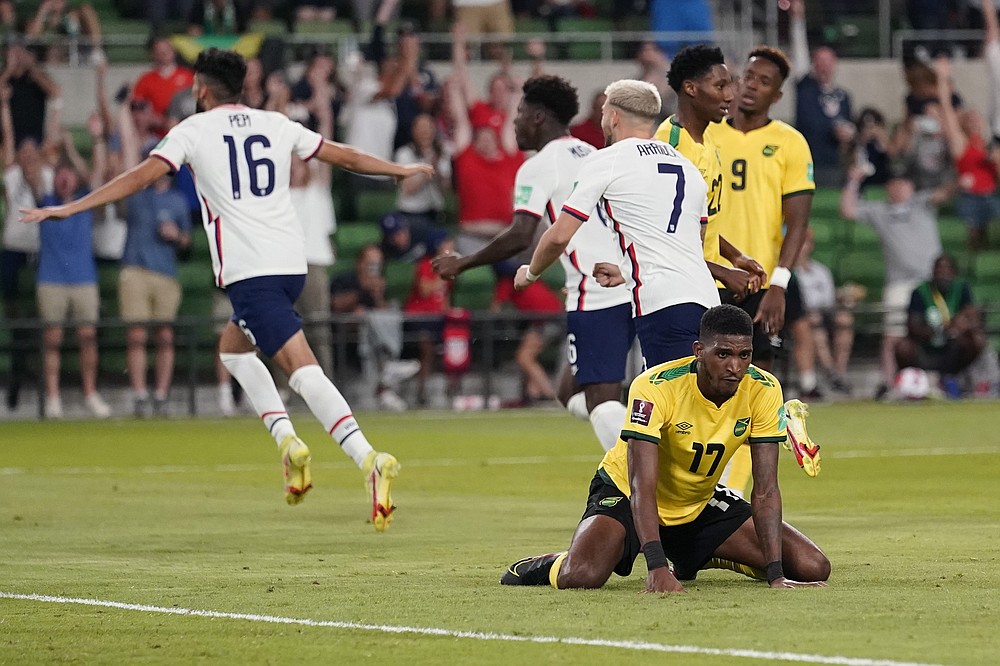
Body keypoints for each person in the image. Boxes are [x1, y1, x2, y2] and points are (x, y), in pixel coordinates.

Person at [21, 48, 433, 531]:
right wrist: (397, 170)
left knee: (302, 370)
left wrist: (71, 207)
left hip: (250, 270)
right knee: (234, 350)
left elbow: (140, 177)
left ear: (201, 89)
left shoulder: (193, 130)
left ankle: (369, 459)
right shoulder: (275, 122)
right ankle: (288, 444)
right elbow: (342, 153)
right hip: (289, 263)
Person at [499, 304, 830, 592]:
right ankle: (553, 562)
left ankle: (701, 554)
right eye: (723, 354)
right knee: (584, 574)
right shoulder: (655, 386)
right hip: (627, 494)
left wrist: (775, 575)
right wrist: (656, 568)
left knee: (811, 566)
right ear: (699, 350)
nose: (735, 366)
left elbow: (766, 489)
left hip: (697, 503)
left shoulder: (763, 388)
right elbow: (641, 482)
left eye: (744, 355)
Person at [435, 74, 634, 452]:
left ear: (540, 117)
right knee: (567, 390)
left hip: (597, 293)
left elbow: (522, 234)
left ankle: (648, 483)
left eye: (521, 114)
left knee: (602, 402)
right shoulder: (593, 153)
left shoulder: (540, 165)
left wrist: (463, 263)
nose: (514, 122)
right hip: (630, 283)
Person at [513, 79, 719, 369]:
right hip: (707, 299)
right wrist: (626, 270)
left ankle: (782, 416)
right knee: (695, 402)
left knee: (669, 405)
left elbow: (559, 235)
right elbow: (693, 240)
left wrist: (531, 273)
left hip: (662, 303)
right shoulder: (686, 165)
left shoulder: (606, 160)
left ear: (613, 116)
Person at [709, 46, 817, 492]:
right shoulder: (707, 133)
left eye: (763, 80)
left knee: (758, 383)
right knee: (707, 383)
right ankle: (715, 488)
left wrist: (779, 283)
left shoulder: (789, 142)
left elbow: (799, 221)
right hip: (708, 272)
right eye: (747, 76)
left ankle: (736, 494)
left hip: (760, 281)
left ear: (776, 93)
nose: (751, 84)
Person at [654, 44, 767, 302]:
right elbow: (663, 234)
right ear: (691, 88)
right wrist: (723, 273)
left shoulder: (708, 137)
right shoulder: (670, 144)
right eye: (720, 87)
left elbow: (704, 220)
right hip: (677, 289)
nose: (730, 96)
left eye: (731, 85)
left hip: (704, 280)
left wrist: (735, 257)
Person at [840, 165, 949, 399]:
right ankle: (889, 383)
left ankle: (934, 382)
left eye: (903, 184)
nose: (899, 188)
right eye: (894, 184)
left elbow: (945, 193)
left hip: (931, 283)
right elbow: (848, 210)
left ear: (911, 187)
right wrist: (853, 181)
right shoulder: (881, 211)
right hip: (899, 282)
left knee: (935, 331)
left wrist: (963, 176)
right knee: (892, 335)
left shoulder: (922, 204)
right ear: (888, 187)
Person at [36, 159, 112, 419]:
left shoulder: (85, 202)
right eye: (60, 173)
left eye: (69, 173)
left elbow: (98, 174)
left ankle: (90, 393)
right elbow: (31, 170)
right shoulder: (44, 203)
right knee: (52, 340)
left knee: (88, 338)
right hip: (51, 280)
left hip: (84, 279)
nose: (65, 178)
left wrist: (73, 149)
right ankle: (53, 398)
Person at [896, 254, 999, 398]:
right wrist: (941, 329)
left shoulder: (962, 288)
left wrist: (962, 324)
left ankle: (952, 379)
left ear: (953, 273)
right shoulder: (920, 292)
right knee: (903, 346)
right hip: (926, 344)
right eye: (939, 271)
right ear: (932, 273)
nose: (942, 274)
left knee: (975, 340)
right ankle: (911, 383)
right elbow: (913, 326)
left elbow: (972, 316)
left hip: (954, 346)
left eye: (946, 271)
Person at [789, 0, 853, 187]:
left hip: (833, 166)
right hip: (806, 163)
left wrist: (847, 134)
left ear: (835, 64)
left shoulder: (844, 97)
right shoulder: (805, 87)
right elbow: (799, 53)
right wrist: (797, 20)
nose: (824, 66)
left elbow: (850, 129)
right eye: (820, 61)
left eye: (828, 61)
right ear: (813, 64)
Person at [793, 229, 857, 399]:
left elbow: (829, 300)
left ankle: (839, 371)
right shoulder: (791, 273)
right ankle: (830, 372)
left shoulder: (821, 271)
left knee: (844, 320)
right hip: (803, 316)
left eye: (806, 243)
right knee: (814, 326)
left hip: (824, 313)